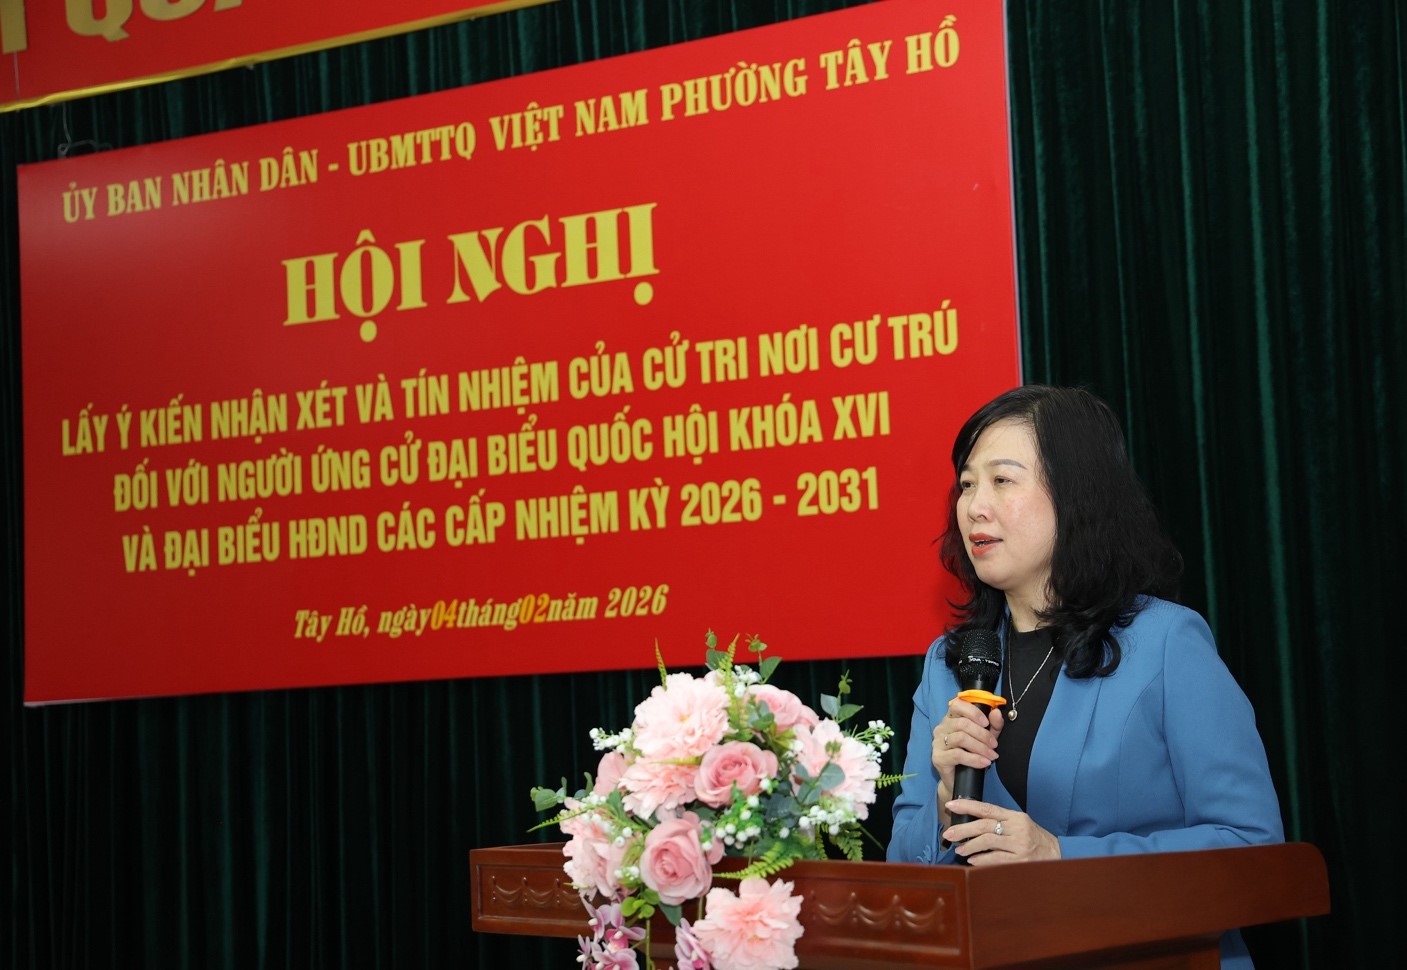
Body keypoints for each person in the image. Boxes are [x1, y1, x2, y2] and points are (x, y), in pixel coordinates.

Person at [887, 385, 1284, 969]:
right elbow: (902, 873)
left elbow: (1253, 851)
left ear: (1075, 495)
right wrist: (946, 805)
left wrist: (1058, 856)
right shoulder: (949, 664)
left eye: (1002, 480)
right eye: (966, 484)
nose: (974, 506)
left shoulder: (1164, 642)